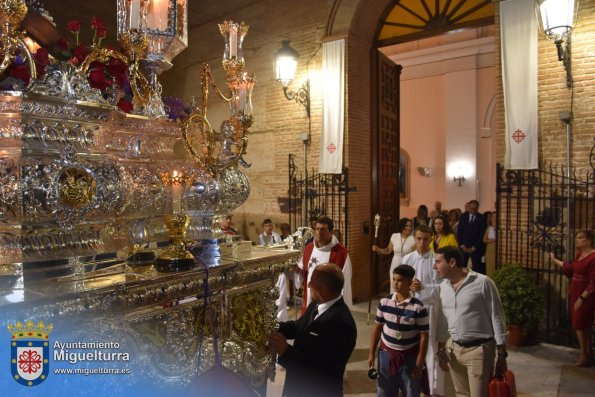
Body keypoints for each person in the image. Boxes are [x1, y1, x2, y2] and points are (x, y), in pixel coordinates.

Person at [268, 263, 357, 397]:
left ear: (325, 288)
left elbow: (322, 371)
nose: (308, 284)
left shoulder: (343, 325)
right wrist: (273, 327)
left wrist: (286, 352)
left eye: (312, 281)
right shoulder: (317, 304)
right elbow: (298, 327)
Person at [433, 246, 507, 397]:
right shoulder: (443, 287)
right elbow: (442, 320)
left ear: (452, 262)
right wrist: (441, 350)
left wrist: (502, 354)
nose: (435, 266)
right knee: (461, 394)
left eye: (438, 262)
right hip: (453, 349)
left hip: (478, 350)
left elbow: (497, 317)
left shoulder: (482, 282)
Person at [368, 265, 429, 397]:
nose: (395, 283)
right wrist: (371, 353)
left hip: (409, 358)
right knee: (384, 392)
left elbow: (424, 336)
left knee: (411, 392)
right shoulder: (384, 302)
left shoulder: (418, 307)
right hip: (386, 356)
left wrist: (419, 364)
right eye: (394, 279)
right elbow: (377, 328)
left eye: (400, 280)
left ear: (409, 282)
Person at [401, 225, 444, 397]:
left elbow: (443, 288)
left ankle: (431, 389)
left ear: (431, 239)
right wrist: (408, 287)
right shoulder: (407, 259)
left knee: (430, 348)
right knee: (409, 346)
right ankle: (409, 384)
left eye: (425, 239)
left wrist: (423, 288)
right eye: (418, 238)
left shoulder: (437, 261)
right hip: (410, 307)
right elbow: (398, 283)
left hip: (429, 308)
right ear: (414, 238)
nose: (422, 242)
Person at [550, 230, 595, 367]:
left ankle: (583, 355)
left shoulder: (593, 257)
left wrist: (582, 298)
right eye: (576, 237)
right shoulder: (580, 254)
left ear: (589, 240)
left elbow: (593, 282)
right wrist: (554, 260)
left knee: (580, 324)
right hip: (575, 292)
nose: (577, 240)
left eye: (580, 238)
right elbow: (571, 269)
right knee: (583, 324)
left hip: (585, 295)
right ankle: (588, 352)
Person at [296, 216, 353, 312]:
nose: (318, 232)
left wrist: (342, 310)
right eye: (317, 229)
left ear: (331, 232)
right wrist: (297, 270)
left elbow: (345, 283)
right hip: (310, 298)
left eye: (322, 230)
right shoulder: (309, 248)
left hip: (329, 304)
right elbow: (304, 274)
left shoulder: (341, 253)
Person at [372, 217, 416, 293]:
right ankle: (394, 302)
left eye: (410, 226)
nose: (409, 228)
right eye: (406, 226)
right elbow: (388, 250)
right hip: (395, 262)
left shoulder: (413, 239)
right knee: (395, 283)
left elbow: (416, 255)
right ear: (401, 226)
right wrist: (378, 249)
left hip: (408, 264)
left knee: (405, 283)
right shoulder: (394, 236)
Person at [456, 200, 487, 274]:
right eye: (471, 208)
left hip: (476, 249)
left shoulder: (481, 218)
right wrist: (463, 246)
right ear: (469, 207)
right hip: (463, 248)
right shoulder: (463, 216)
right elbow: (459, 232)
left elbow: (481, 235)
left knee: (477, 270)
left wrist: (473, 248)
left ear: (478, 208)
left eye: (475, 209)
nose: (473, 210)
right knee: (461, 268)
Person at [482, 211, 497, 276]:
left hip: (498, 251)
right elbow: (484, 240)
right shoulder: (489, 228)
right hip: (490, 251)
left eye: (496, 216)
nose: (495, 218)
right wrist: (494, 240)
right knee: (490, 269)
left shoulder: (502, 228)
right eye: (493, 216)